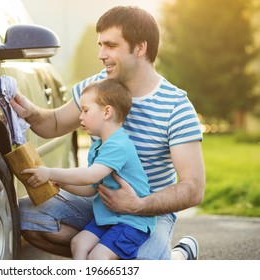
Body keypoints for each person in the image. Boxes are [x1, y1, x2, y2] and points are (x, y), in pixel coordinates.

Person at [10, 5, 205, 260]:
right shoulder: (95, 89)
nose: (101, 54)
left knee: (140, 260)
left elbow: (193, 187)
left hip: (150, 213)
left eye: (111, 45)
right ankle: (104, 255)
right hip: (99, 204)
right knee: (22, 215)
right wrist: (31, 112)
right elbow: (55, 123)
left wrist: (139, 204)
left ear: (140, 48)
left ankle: (178, 257)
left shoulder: (176, 107)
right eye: (100, 45)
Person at [22, 79, 156, 260]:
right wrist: (62, 182)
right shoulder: (100, 145)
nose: (80, 117)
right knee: (78, 242)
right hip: (108, 218)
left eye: (85, 111)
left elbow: (90, 175)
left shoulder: (119, 145)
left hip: (131, 222)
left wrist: (50, 172)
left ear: (107, 112)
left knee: (98, 257)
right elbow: (90, 188)